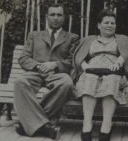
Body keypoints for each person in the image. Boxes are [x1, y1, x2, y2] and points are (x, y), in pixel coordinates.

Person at [71, 9, 128, 141]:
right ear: (99, 25)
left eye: (112, 23)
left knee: (111, 80)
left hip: (114, 71)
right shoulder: (88, 40)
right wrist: (86, 67)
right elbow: (78, 56)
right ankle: (86, 123)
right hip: (92, 71)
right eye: (106, 22)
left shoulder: (123, 39)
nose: (110, 25)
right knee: (89, 79)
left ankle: (107, 123)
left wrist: (119, 62)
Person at [13, 3, 79, 140]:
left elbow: (73, 61)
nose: (55, 18)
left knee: (66, 83)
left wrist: (54, 65)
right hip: (36, 73)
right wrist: (38, 66)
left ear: (64, 18)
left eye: (59, 15)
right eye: (52, 15)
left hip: (58, 74)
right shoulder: (34, 35)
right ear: (46, 17)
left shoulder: (73, 37)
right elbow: (23, 58)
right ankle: (47, 126)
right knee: (20, 81)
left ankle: (29, 124)